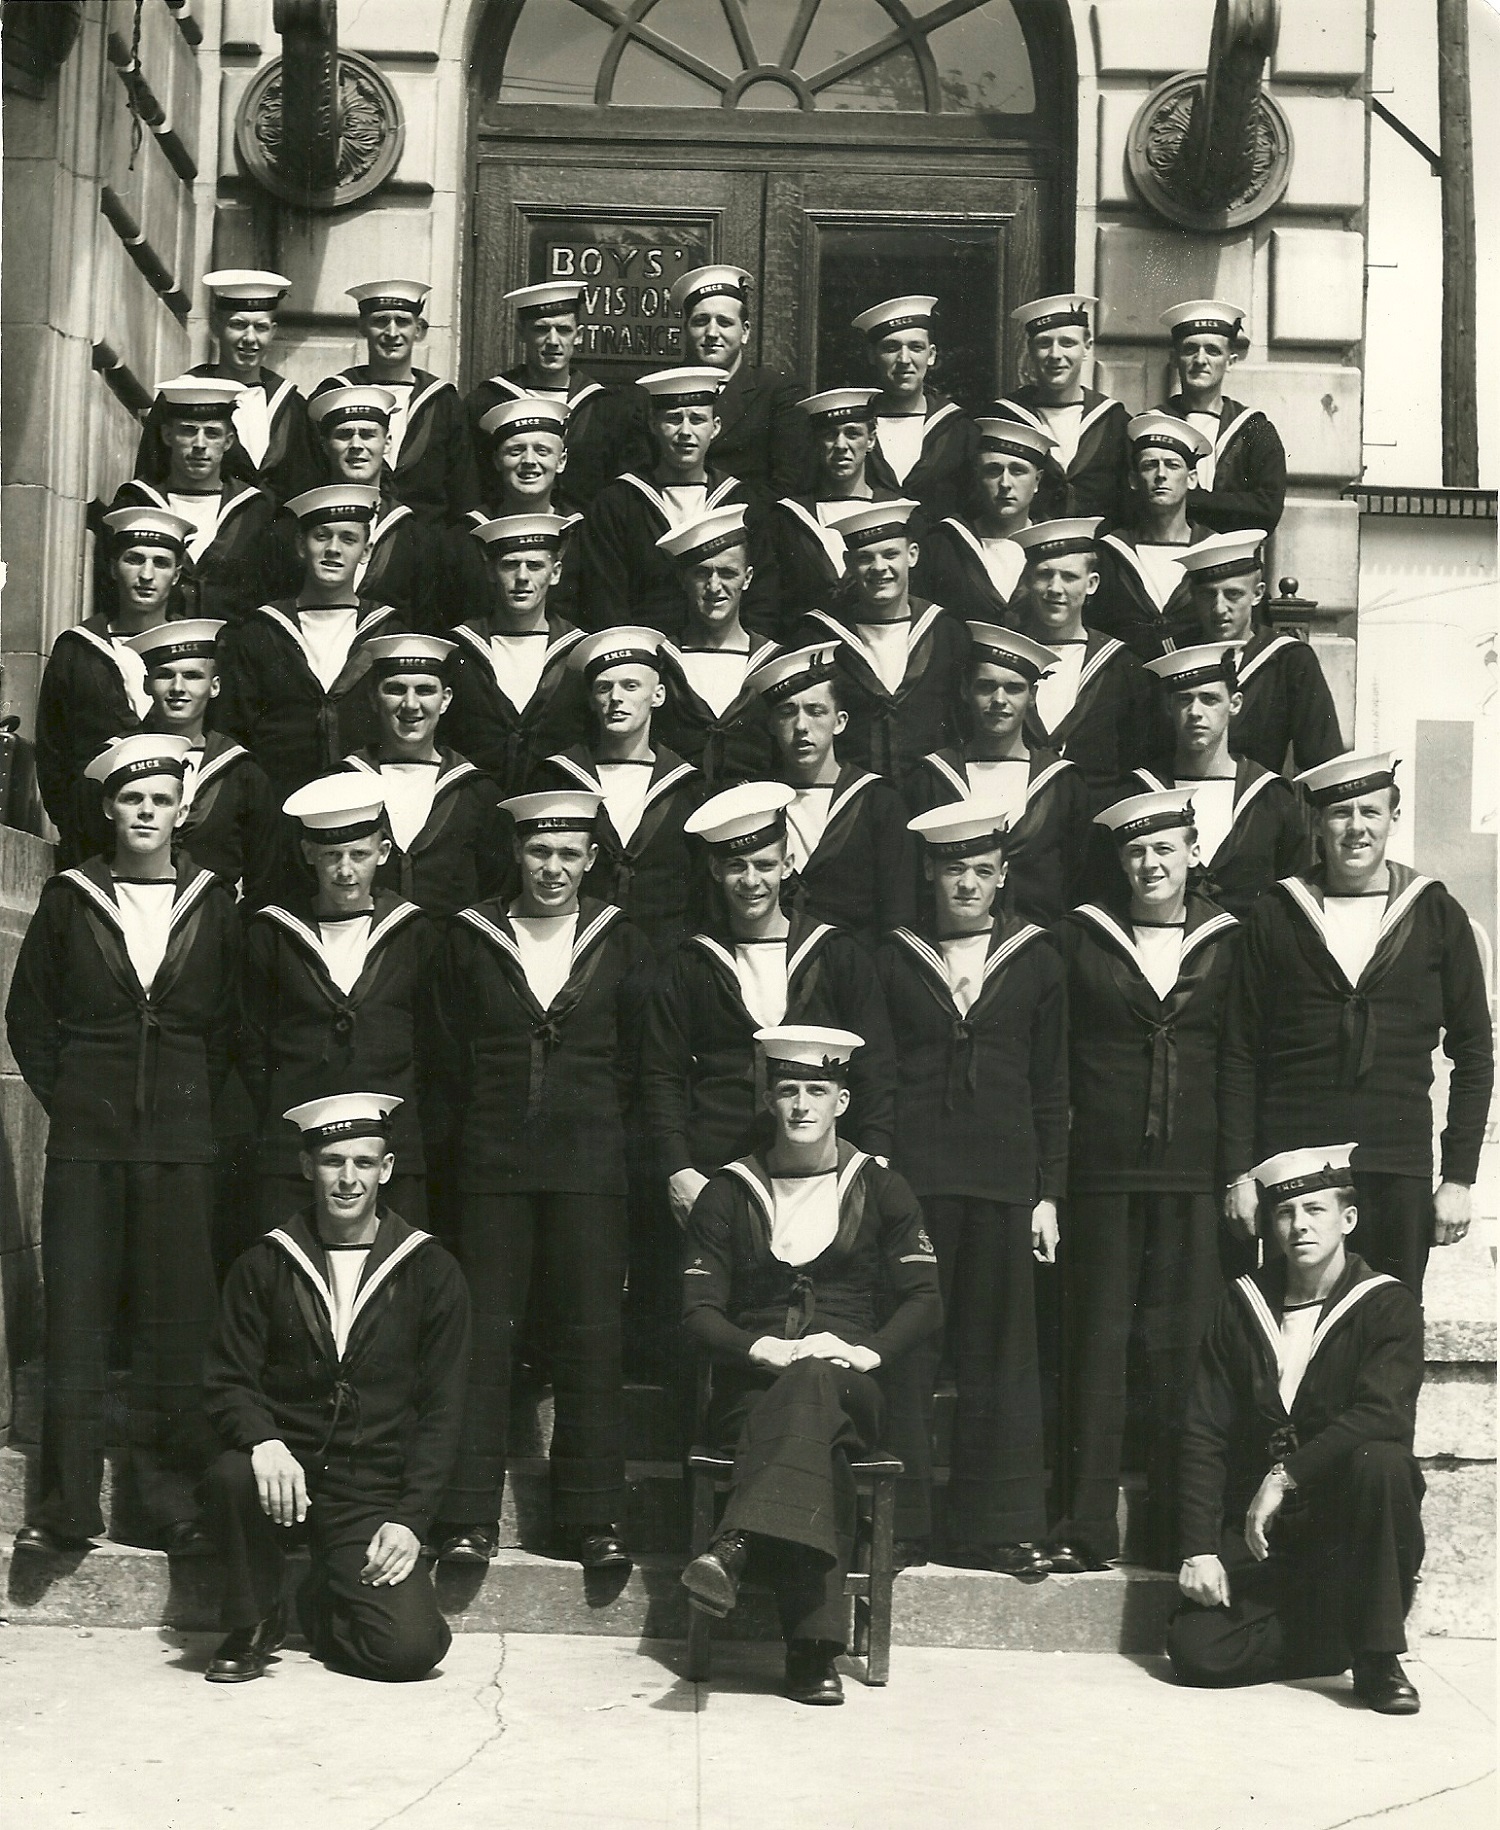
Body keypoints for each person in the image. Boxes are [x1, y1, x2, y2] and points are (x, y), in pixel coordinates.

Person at [6, 734, 238, 1556]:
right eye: (132, 799)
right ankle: (65, 1507)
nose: (146, 812)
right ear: (109, 808)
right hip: (88, 1148)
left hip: (180, 1147)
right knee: (77, 1321)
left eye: (161, 800)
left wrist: (194, 1111)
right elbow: (29, 1017)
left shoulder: (214, 901)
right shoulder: (71, 898)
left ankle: (168, 1504)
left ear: (182, 810)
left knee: (175, 1328)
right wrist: (77, 1100)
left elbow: (232, 1028)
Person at [679, 1025, 941, 1705]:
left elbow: (924, 1300)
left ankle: (736, 1543)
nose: (801, 1105)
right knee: (816, 1440)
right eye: (788, 1089)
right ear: (769, 1100)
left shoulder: (880, 1187)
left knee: (819, 1378)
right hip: (754, 1388)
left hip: (851, 1385)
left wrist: (863, 1351)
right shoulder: (729, 1192)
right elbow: (698, 1311)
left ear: (841, 1101)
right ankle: (811, 1653)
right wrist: (760, 1347)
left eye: (816, 1090)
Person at [427, 790, 654, 1569]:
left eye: (567, 854)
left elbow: (639, 1062)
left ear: (590, 860)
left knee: (591, 1339)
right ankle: (467, 1517)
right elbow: (445, 1058)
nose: (552, 868)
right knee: (484, 1338)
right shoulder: (470, 937)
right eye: (538, 852)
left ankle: (592, 1519)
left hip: (590, 1166)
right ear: (517, 854)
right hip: (492, 1166)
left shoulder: (622, 940)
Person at [200, 1092, 470, 1684]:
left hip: (366, 1487)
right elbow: (227, 1379)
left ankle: (322, 1596)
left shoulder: (429, 1269)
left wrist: (412, 1518)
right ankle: (253, 1619)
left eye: (364, 1162)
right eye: (332, 1161)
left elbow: (444, 1408)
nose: (349, 1179)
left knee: (409, 1652)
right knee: (231, 1473)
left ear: (386, 1169)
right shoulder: (266, 1262)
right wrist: (264, 1441)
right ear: (307, 1167)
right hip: (283, 1477)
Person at [1050, 789, 1242, 1572]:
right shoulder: (1082, 937)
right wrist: (1055, 1180)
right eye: (1135, 851)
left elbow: (1240, 1061)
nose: (1151, 864)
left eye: (1165, 848)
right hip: (1103, 1171)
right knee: (1097, 1348)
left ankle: (1178, 1533)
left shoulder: (1229, 939)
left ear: (1193, 853)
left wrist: (1237, 1173)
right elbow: (1057, 1061)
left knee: (1182, 1351)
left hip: (1194, 1174)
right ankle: (1085, 1525)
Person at [1219, 752, 1493, 1297]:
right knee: (1298, 1322)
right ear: (1318, 824)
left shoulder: (1435, 912)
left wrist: (1459, 1177)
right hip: (1295, 1161)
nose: (1356, 827)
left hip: (1396, 1162)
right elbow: (1238, 1051)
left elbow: (1474, 1053)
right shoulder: (1278, 912)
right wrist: (1238, 1174)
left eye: (1370, 811)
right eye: (1341, 813)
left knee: (1390, 1322)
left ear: (1394, 818)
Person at [877, 802, 1066, 1573]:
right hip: (916, 1183)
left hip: (1003, 1184)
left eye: (982, 871)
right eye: (954, 869)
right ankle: (901, 1523)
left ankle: (996, 1527)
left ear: (1002, 875)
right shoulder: (894, 957)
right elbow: (879, 1075)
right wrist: (879, 1178)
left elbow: (1052, 1087)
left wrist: (1048, 1194)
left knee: (1001, 1357)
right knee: (910, 1350)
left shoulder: (1038, 959)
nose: (967, 884)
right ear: (931, 872)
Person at [1169, 1144, 1425, 1713]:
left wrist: (1285, 1475)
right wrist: (1199, 1549)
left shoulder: (1386, 1303)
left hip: (1345, 1520)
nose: (1299, 1225)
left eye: (1315, 1210)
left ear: (1347, 1219)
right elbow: (1204, 1429)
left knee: (1382, 1461)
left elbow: (1383, 1412)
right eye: (1285, 1213)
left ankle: (1378, 1656)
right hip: (1266, 1532)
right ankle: (1338, 1635)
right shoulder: (1243, 1304)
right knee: (1196, 1651)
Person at [641, 782, 898, 1228]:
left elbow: (875, 1068)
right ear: (715, 870)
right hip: (713, 1172)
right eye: (736, 866)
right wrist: (678, 1169)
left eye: (764, 865)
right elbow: (661, 1074)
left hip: (817, 1174)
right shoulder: (690, 964)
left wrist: (873, 1161)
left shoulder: (836, 955)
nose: (751, 881)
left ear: (787, 864)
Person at [242, 776, 438, 1233]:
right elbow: (251, 1042)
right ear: (309, 853)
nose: (345, 870)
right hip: (294, 1149)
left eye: (359, 855)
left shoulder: (413, 932)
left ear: (383, 852)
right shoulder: (273, 933)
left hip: (391, 1148)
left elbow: (433, 1043)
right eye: (332, 856)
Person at [215, 484, 399, 800]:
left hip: (364, 797)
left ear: (366, 552)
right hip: (278, 799)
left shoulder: (388, 631)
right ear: (301, 544)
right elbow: (235, 730)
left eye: (348, 539)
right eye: (322, 536)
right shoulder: (262, 631)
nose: (333, 549)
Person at [902, 624, 1091, 928]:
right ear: (965, 690)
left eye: (1014, 688)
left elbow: (1078, 878)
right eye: (986, 686)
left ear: (1032, 695)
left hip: (1042, 944)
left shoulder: (1062, 781)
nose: (999, 699)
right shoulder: (931, 776)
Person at [531, 626, 702, 956]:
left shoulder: (688, 785)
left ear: (658, 695)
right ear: (591, 700)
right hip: (579, 953)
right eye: (604, 687)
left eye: (631, 686)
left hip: (665, 957)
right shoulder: (559, 777)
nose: (616, 698)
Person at [37, 507, 193, 866]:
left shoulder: (198, 653)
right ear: (111, 567)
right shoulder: (78, 649)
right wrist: (77, 820)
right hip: (92, 841)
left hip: (182, 843)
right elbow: (52, 750)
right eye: (134, 560)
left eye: (161, 563)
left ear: (177, 574)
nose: (146, 575)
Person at [578, 365, 771, 636]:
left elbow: (763, 600)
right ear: (653, 424)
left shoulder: (742, 502)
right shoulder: (619, 502)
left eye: (697, 419)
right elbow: (606, 602)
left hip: (727, 652)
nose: (685, 431)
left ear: (715, 427)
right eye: (673, 419)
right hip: (644, 652)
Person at [745, 642, 915, 947]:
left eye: (816, 711)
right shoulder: (753, 803)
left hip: (859, 967)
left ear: (840, 721)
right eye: (787, 712)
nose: (801, 726)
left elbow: (898, 917)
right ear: (771, 724)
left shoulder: (878, 801)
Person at [1129, 644, 1309, 921]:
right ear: (1168, 706)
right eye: (1184, 700)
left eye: (1209, 699)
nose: (1195, 712)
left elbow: (1294, 897)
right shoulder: (1140, 793)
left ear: (1234, 704)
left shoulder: (1270, 796)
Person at [793, 498, 969, 779]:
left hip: (932, 789)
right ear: (848, 563)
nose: (879, 567)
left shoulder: (945, 632)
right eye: (865, 558)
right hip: (855, 793)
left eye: (890, 554)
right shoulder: (820, 637)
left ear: (912, 555)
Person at [105, 620, 277, 904]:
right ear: (147, 684)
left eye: (192, 676)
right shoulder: (114, 760)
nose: (178, 688)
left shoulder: (242, 773)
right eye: (165, 675)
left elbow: (264, 877)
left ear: (214, 686)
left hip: (210, 924)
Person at [341, 633, 507, 918]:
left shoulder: (477, 792)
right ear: (373, 698)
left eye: (425, 690)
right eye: (395, 689)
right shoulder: (343, 782)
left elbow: (497, 892)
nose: (410, 704)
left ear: (445, 700)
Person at [253, 385, 439, 630]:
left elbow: (424, 623)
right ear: (324, 445)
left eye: (368, 434)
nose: (356, 445)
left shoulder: (413, 536)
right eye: (344, 435)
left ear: (387, 443)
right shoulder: (290, 530)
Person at [1011, 518, 1168, 803]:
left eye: (1069, 577)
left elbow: (1140, 763)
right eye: (1044, 574)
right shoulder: (1005, 661)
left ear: (1092, 583)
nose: (1055, 588)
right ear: (1028, 580)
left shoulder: (1122, 666)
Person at [132, 269, 313, 505]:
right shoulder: (181, 396)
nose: (250, 338)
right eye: (238, 325)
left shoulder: (291, 406)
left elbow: (307, 489)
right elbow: (151, 477)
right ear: (217, 326)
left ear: (273, 332)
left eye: (260, 327)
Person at [442, 512, 590, 797]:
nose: (522, 577)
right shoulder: (459, 649)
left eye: (535, 566)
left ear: (555, 573)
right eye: (510, 565)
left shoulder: (578, 652)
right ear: (490, 571)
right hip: (474, 808)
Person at [313, 280, 480, 527]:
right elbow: (312, 476)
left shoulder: (443, 401)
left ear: (418, 330)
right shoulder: (335, 394)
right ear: (362, 327)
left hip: (426, 539)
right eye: (380, 321)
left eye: (402, 322)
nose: (392, 333)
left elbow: (463, 492)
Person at [466, 280, 646, 509]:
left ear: (578, 335)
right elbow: (469, 485)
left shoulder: (606, 409)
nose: (553, 341)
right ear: (521, 333)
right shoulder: (487, 402)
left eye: (563, 330)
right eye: (541, 329)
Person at [110, 378, 277, 624]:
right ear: (167, 435)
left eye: (212, 433)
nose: (200, 445)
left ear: (228, 441)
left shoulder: (254, 509)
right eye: (188, 431)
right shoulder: (136, 502)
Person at [1179, 531, 1345, 775]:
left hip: (1259, 796)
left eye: (1233, 594)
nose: (1219, 608)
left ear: (1257, 594)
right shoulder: (1175, 658)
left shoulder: (1289, 659)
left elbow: (1322, 759)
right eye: (1208, 595)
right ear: (1194, 596)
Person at [653, 507, 779, 790]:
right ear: (682, 579)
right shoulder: (660, 660)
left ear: (747, 578)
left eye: (727, 573)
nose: (714, 586)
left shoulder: (773, 661)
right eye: (701, 573)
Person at [671, 263, 808, 496]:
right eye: (701, 321)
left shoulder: (779, 394)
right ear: (686, 329)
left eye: (724, 322)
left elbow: (789, 483)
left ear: (745, 332)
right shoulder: (658, 392)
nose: (712, 333)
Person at [768, 388, 898, 634]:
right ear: (816, 442)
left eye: (852, 433)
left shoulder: (895, 512)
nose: (841, 445)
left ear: (871, 440)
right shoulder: (787, 518)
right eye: (830, 435)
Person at [1090, 413, 1216, 660]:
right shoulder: (1109, 553)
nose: (1161, 475)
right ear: (1133, 480)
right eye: (1149, 465)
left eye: (1172, 465)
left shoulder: (1213, 550)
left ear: (1192, 479)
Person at [996, 295, 1130, 523]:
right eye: (1044, 343)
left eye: (1067, 343)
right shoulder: (1004, 417)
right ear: (1030, 349)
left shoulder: (1113, 420)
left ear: (1087, 347)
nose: (1055, 355)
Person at [1158, 299, 1287, 534]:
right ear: (1174, 358)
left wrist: (1184, 499)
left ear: (1230, 361)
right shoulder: (1153, 424)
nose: (1200, 360)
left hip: (1232, 555)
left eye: (1213, 351)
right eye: (1190, 349)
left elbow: (1267, 510)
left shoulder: (1253, 429)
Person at [912, 419, 1057, 627]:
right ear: (978, 476)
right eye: (993, 471)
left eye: (1017, 471)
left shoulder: (1055, 547)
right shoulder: (944, 544)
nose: (1005, 484)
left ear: (1037, 481)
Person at [454, 398, 583, 626]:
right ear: (497, 460)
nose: (529, 461)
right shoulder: (466, 537)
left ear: (561, 461)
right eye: (515, 451)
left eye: (542, 451)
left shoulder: (583, 535)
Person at [854, 295, 978, 524]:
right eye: (891, 348)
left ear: (931, 355)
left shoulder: (959, 429)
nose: (904, 359)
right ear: (872, 355)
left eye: (916, 347)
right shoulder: (854, 427)